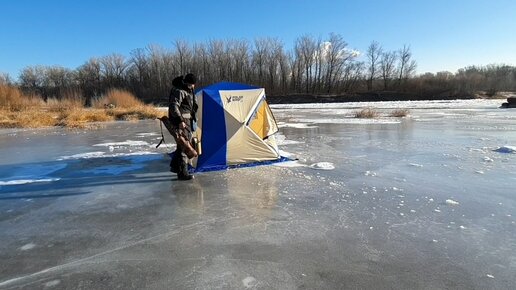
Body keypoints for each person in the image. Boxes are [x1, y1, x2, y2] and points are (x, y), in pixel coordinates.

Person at [168, 73, 198, 180]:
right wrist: (180, 120)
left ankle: (175, 166)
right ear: (189, 83)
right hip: (182, 122)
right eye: (193, 84)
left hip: (188, 121)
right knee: (184, 146)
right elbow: (174, 106)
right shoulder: (180, 91)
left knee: (182, 144)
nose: (194, 86)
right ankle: (182, 173)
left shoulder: (188, 91)